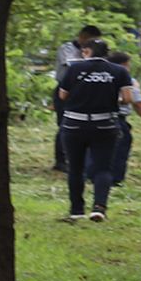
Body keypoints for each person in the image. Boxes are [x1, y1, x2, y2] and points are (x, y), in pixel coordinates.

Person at [55, 37, 135, 221]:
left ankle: (76, 210)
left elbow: (63, 94)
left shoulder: (74, 68)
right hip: (105, 124)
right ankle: (99, 207)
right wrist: (107, 98)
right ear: (107, 53)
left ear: (86, 51)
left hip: (74, 124)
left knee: (75, 168)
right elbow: (127, 98)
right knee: (103, 168)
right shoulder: (119, 71)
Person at [101, 49, 141, 189]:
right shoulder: (127, 80)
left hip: (96, 118)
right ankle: (115, 179)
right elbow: (138, 103)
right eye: (128, 65)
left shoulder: (99, 78)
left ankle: (92, 175)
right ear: (123, 65)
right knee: (120, 149)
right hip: (117, 120)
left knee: (96, 148)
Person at [53, 24, 102, 172]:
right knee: (64, 124)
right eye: (90, 41)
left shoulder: (92, 51)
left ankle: (81, 159)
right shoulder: (67, 48)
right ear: (82, 37)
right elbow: (72, 65)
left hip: (85, 90)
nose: (92, 45)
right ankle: (60, 160)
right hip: (65, 89)